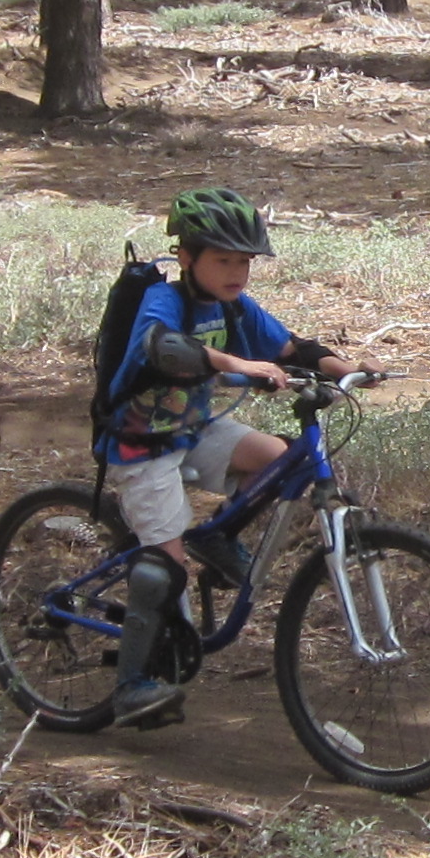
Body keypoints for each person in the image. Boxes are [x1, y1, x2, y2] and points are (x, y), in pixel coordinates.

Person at [96, 186, 328, 728]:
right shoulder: (165, 301)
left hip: (193, 430)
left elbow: (291, 348)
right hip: (141, 444)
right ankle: (130, 686)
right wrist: (240, 365)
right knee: (162, 573)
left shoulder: (232, 306)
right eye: (223, 260)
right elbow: (165, 348)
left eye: (244, 262)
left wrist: (351, 367)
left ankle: (217, 536)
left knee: (280, 459)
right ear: (185, 256)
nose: (236, 272)